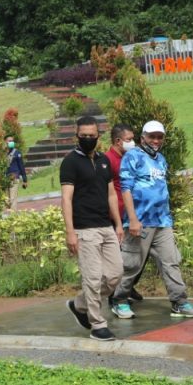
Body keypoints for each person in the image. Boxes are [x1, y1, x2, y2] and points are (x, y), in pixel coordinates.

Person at [111, 120, 193, 320]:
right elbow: (125, 189)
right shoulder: (132, 156)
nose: (156, 140)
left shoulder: (161, 159)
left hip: (162, 221)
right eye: (152, 136)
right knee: (131, 264)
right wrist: (132, 219)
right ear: (143, 137)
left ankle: (179, 302)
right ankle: (119, 300)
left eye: (159, 137)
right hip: (140, 221)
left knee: (171, 262)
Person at [61, 115, 125, 342]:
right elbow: (66, 199)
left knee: (115, 275)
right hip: (84, 229)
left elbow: (111, 194)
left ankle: (79, 304)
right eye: (83, 136)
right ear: (77, 136)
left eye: (92, 135)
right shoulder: (70, 162)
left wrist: (118, 224)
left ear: (99, 136)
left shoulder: (104, 160)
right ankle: (98, 325)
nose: (88, 139)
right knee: (93, 278)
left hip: (106, 226)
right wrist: (70, 231)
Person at [104, 123, 144, 303]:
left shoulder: (131, 157)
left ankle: (128, 286)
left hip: (133, 213)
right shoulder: (107, 160)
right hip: (117, 215)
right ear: (118, 141)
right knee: (122, 258)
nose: (133, 143)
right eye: (129, 139)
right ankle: (115, 293)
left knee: (138, 254)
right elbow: (108, 192)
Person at [5, 136, 27, 209]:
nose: (11, 142)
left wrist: (24, 179)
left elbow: (21, 166)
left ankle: (13, 214)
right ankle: (8, 214)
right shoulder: (3, 153)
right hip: (5, 179)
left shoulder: (17, 153)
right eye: (9, 141)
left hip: (14, 178)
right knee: (6, 200)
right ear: (5, 142)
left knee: (12, 198)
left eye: (12, 141)